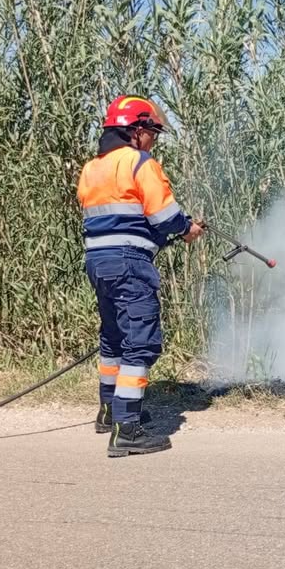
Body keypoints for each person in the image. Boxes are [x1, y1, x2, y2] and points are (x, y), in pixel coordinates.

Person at [76, 95, 203, 457]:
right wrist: (186, 229)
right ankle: (127, 430)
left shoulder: (91, 168)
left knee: (114, 337)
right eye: (152, 133)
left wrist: (166, 232)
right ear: (135, 130)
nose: (153, 141)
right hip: (129, 263)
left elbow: (116, 220)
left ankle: (108, 412)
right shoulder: (139, 163)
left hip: (98, 261)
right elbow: (163, 217)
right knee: (140, 341)